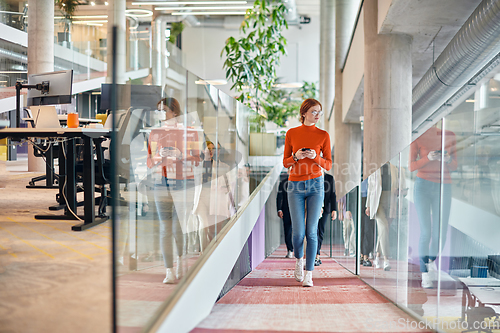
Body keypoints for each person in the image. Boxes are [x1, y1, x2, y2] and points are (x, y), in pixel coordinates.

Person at [147, 97, 201, 284]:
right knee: (165, 228)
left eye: (164, 110)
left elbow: (197, 159)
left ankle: (180, 262)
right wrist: (157, 157)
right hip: (161, 182)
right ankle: (168, 270)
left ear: (174, 112)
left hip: (184, 181)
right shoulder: (154, 133)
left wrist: (181, 155)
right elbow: (149, 161)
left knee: (179, 226)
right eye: (159, 110)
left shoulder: (190, 132)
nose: (161, 114)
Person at [283, 98, 332, 287]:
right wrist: (296, 156)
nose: (317, 115)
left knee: (312, 232)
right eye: (313, 111)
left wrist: (315, 157)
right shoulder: (291, 133)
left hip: (316, 185)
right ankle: (298, 260)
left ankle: (309, 274)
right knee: (298, 233)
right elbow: (285, 163)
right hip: (294, 186)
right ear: (304, 113)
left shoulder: (323, 135)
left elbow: (328, 164)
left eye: (319, 111)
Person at [410, 125, 456, 288]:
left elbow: (455, 165)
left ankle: (430, 260)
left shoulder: (449, 134)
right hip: (422, 186)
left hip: (444, 185)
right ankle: (424, 272)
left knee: (440, 233)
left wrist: (448, 159)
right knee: (426, 231)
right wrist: (428, 157)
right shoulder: (418, 136)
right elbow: (411, 166)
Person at [315, 173, 337, 266]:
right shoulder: (313, 175)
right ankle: (315, 255)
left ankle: (317, 254)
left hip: (325, 209)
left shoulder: (329, 178)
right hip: (314, 208)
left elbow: (333, 194)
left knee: (320, 231)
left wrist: (334, 209)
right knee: (313, 231)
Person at [277, 170, 293, 258]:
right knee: (288, 231)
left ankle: (299, 250)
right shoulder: (283, 182)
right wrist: (279, 209)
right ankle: (290, 250)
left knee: (299, 232)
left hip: (298, 211)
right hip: (286, 210)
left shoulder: (300, 182)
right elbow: (279, 196)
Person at [360, 179, 375, 266]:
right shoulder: (357, 170)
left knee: (368, 229)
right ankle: (361, 255)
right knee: (360, 229)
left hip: (369, 200)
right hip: (358, 200)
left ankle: (365, 255)